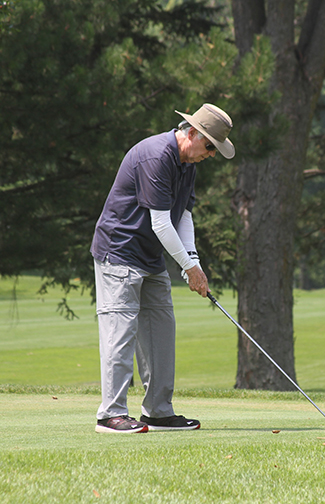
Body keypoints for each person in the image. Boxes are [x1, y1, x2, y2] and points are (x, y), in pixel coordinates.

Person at [90, 103, 235, 433]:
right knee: (120, 331)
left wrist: (193, 262)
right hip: (119, 251)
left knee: (161, 330)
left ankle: (157, 411)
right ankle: (109, 415)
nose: (211, 154)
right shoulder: (157, 155)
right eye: (210, 146)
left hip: (150, 256)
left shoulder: (188, 164)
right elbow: (159, 222)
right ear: (193, 133)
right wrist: (188, 268)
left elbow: (182, 215)